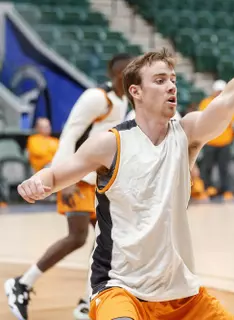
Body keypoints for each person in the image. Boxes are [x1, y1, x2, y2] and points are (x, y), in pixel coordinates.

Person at [15, 6, 234, 320]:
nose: (172, 86)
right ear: (135, 91)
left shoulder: (188, 133)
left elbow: (232, 96)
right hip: (119, 289)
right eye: (161, 80)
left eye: (173, 79)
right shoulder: (110, 143)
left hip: (183, 294)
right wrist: (39, 181)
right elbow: (57, 174)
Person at [4, 53, 133, 320]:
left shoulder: (122, 101)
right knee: (79, 237)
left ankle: (87, 302)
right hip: (76, 178)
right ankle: (22, 284)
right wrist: (63, 180)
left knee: (106, 241)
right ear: (121, 74)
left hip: (95, 180)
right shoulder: (98, 98)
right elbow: (70, 134)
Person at [198, 79, 234, 201]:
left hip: (225, 141)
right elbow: (204, 117)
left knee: (224, 168)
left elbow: (232, 117)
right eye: (218, 91)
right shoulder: (206, 102)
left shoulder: (230, 103)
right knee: (207, 167)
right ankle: (206, 188)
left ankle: (226, 190)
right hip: (209, 141)